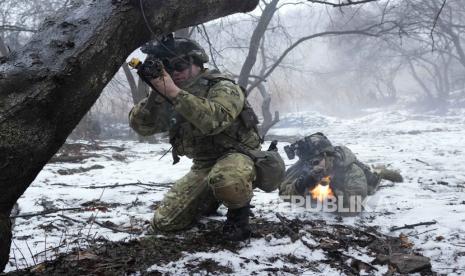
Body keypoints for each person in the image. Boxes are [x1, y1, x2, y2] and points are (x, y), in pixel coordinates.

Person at [129, 35, 262, 241]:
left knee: (227, 178)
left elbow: (214, 120)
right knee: (164, 223)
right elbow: (143, 127)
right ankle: (210, 199)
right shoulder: (169, 92)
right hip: (204, 164)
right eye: (168, 68)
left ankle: (238, 218)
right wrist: (157, 93)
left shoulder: (222, 86)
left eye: (179, 66)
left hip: (239, 155)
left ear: (197, 63)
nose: (174, 73)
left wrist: (173, 92)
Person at [279, 132, 402, 214]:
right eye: (308, 163)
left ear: (326, 156)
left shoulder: (350, 170)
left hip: (366, 181)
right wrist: (300, 184)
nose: (312, 166)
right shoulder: (306, 164)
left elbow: (355, 206)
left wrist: (332, 191)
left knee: (373, 180)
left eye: (316, 162)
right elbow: (283, 191)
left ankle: (381, 171)